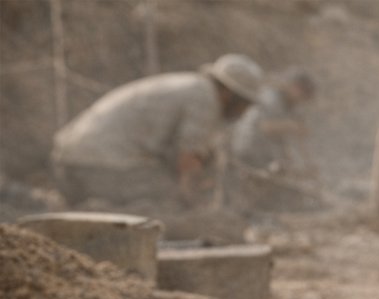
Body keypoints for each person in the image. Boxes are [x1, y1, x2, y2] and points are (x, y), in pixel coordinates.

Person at [51, 54, 263, 210]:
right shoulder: (206, 98)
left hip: (69, 162)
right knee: (169, 196)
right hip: (94, 166)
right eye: (244, 104)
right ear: (228, 93)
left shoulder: (192, 86)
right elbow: (188, 161)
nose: (244, 112)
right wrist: (196, 207)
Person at [231, 66, 317, 175]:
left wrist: (309, 164)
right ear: (295, 87)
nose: (303, 100)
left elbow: (296, 140)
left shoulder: (292, 106)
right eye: (303, 94)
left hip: (266, 151)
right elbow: (265, 127)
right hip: (249, 147)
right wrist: (291, 126)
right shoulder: (271, 98)